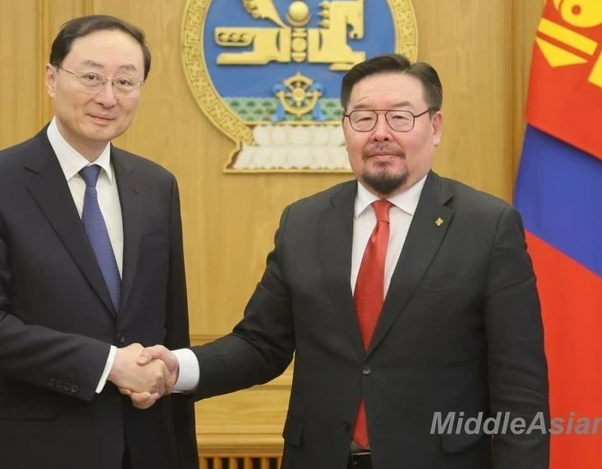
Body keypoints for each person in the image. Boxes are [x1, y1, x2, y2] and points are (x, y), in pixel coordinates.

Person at [136, 54, 550, 468]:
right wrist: (177, 368)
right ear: (345, 128)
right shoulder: (303, 222)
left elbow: (519, 385)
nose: (381, 133)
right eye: (364, 118)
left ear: (435, 126)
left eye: (400, 117)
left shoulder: (487, 226)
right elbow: (262, 344)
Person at [0, 15, 197, 469]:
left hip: (146, 444)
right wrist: (107, 363)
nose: (108, 97)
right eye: (91, 77)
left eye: (125, 82)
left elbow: (171, 325)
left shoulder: (157, 186)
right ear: (51, 78)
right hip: (36, 449)